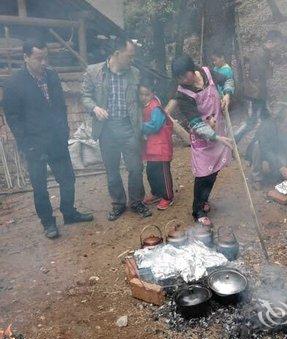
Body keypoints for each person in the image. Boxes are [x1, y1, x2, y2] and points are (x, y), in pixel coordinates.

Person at [3, 39, 93, 239]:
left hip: (56, 140)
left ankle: (69, 213)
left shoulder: (52, 76)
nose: (43, 62)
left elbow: (60, 105)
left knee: (68, 178)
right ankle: (48, 223)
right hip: (34, 144)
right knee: (40, 186)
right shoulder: (14, 83)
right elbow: (13, 118)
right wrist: (25, 144)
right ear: (26, 58)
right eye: (38, 58)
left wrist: (64, 130)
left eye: (45, 57)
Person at [82, 36, 152, 221]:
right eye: (129, 56)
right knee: (112, 169)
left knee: (136, 168)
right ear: (117, 54)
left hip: (129, 127)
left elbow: (142, 98)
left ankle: (137, 202)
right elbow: (85, 97)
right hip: (106, 129)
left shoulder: (135, 73)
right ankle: (119, 203)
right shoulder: (93, 71)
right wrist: (95, 108)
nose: (132, 59)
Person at [167, 54, 234, 226]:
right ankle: (197, 211)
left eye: (184, 75)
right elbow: (196, 123)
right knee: (203, 174)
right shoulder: (183, 94)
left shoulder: (207, 73)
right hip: (203, 139)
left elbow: (227, 80)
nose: (182, 80)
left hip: (218, 129)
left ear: (192, 70)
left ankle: (205, 200)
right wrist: (215, 137)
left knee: (214, 170)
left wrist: (227, 94)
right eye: (179, 77)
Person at [235, 30, 283, 143]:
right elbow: (259, 75)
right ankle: (234, 140)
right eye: (277, 43)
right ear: (270, 41)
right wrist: (270, 69)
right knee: (252, 122)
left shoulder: (264, 52)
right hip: (256, 94)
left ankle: (270, 143)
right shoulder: (260, 54)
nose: (277, 47)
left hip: (259, 93)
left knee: (267, 119)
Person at [246, 105, 287, 188]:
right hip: (265, 151)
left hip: (279, 151)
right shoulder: (267, 127)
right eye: (286, 126)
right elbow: (265, 150)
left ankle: (277, 174)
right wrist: (281, 167)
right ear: (278, 122)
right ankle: (257, 178)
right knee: (257, 146)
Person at [139, 77, 174, 210]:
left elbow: (155, 126)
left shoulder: (156, 107)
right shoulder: (144, 107)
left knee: (163, 173)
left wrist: (139, 126)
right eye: (141, 94)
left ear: (152, 94)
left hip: (162, 147)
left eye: (146, 94)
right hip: (152, 147)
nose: (143, 97)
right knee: (151, 171)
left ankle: (168, 196)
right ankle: (156, 193)